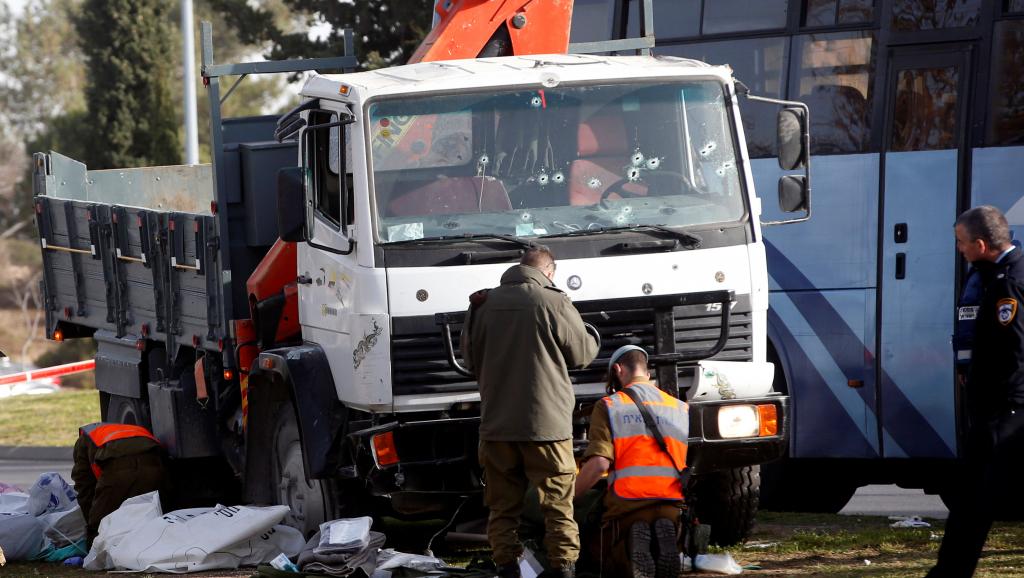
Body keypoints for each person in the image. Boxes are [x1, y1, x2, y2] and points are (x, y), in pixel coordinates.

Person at [461, 246, 599, 578]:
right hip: (547, 427)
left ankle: (507, 567)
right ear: (548, 271)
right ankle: (563, 569)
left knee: (502, 507)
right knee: (558, 505)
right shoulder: (554, 301)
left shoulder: (482, 304)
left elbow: (469, 360)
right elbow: (581, 355)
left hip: (497, 425)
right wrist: (591, 337)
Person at [928, 206, 1024, 577]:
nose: (959, 249)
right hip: (1005, 411)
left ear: (981, 244)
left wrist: (1000, 406)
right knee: (975, 499)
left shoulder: (1008, 283)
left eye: (961, 242)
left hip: (1004, 412)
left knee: (972, 500)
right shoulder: (998, 274)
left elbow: (1014, 352)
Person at [575, 345, 688, 578]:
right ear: (647, 374)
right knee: (661, 531)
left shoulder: (609, 405)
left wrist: (569, 498)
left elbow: (599, 464)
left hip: (627, 505)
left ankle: (629, 546)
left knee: (604, 555)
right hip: (671, 505)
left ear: (617, 369)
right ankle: (666, 540)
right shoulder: (679, 408)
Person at [71, 422, 166, 546]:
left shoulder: (84, 440)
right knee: (150, 516)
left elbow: (84, 485)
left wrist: (91, 518)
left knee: (99, 524)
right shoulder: (127, 429)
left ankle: (95, 558)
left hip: (118, 467)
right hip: (154, 463)